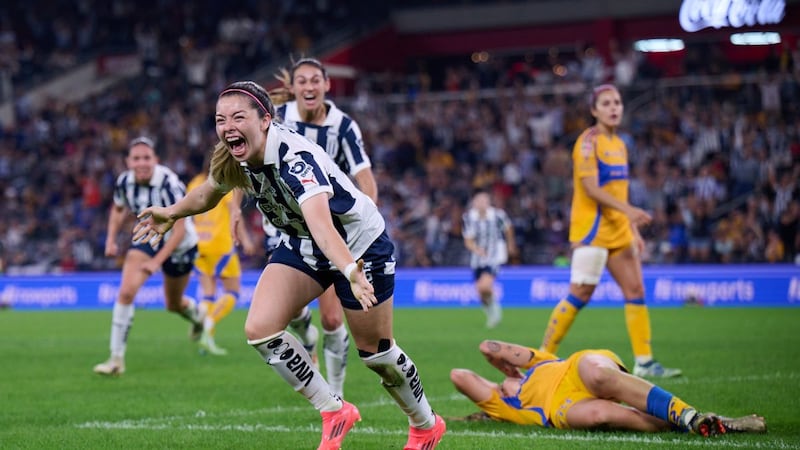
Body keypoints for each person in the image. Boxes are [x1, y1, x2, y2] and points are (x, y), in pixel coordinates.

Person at [133, 81, 446, 450]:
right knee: (260, 329)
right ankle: (334, 410)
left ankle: (426, 425)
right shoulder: (234, 156)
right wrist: (170, 212)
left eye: (238, 117)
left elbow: (323, 225)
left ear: (265, 120)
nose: (227, 126)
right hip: (303, 244)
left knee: (377, 354)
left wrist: (349, 271)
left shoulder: (295, 159)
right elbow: (208, 193)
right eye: (220, 119)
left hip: (358, 245)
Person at [538, 84, 681, 378]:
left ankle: (644, 362)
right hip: (591, 230)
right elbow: (590, 188)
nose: (614, 107)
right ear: (594, 110)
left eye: (617, 102)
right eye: (606, 103)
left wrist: (632, 228)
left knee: (636, 290)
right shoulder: (588, 142)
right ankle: (542, 357)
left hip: (619, 230)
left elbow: (619, 190)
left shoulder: (620, 144)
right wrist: (629, 212)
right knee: (580, 293)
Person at [262, 57, 379, 397]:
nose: (309, 87)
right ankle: (306, 336)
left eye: (316, 80)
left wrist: (366, 218)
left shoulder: (343, 127)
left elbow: (366, 179)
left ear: (327, 85)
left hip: (325, 230)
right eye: (303, 81)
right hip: (284, 227)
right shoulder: (278, 119)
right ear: (294, 87)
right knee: (292, 312)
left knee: (331, 319)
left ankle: (337, 395)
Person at [450, 339, 767, 436]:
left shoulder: (539, 364)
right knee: (599, 415)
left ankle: (688, 414)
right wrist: (501, 384)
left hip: (577, 370)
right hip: (562, 409)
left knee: (600, 376)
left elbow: (487, 346)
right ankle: (706, 423)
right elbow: (459, 376)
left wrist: (501, 363)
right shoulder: (506, 406)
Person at [93, 137, 204, 376]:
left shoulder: (169, 183)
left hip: (179, 246)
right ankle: (116, 360)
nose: (141, 163)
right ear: (128, 162)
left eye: (146, 158)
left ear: (156, 160)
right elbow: (118, 208)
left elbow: (181, 228)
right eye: (136, 158)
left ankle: (198, 318)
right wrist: (111, 239)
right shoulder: (124, 182)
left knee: (173, 305)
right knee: (125, 292)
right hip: (147, 238)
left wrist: (157, 261)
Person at [187, 158, 258, 356]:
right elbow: (234, 211)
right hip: (220, 245)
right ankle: (208, 325)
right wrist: (245, 239)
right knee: (233, 291)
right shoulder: (223, 181)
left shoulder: (194, 183)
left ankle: (201, 314)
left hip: (199, 243)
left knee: (208, 292)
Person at [462, 190, 517, 328]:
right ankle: (491, 312)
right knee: (480, 292)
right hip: (477, 258)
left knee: (484, 285)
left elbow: (508, 228)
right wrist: (477, 249)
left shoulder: (498, 215)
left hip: (494, 255)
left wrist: (510, 244)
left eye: (484, 200)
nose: (481, 203)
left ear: (488, 202)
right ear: (474, 203)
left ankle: (495, 310)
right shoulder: (469, 218)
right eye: (478, 201)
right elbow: (468, 240)